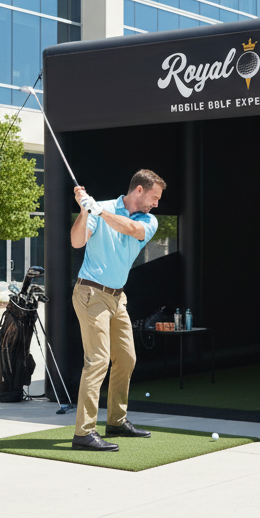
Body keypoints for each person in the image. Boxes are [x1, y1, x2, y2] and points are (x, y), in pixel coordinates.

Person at [68, 170, 165, 451]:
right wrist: (86, 211)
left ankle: (116, 421)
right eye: (154, 197)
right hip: (91, 293)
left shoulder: (148, 220)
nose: (156, 204)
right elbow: (77, 241)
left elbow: (130, 229)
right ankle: (84, 433)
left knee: (126, 358)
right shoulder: (101, 208)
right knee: (97, 360)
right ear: (139, 190)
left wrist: (99, 211)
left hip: (117, 297)